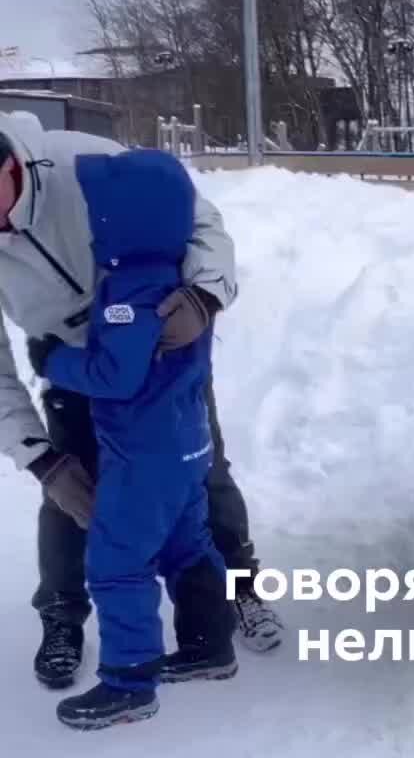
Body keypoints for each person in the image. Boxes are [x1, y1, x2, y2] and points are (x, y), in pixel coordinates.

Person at [0, 108, 282, 686]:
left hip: (160, 345)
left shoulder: (86, 162)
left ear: (8, 162)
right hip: (71, 361)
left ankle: (238, 590)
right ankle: (62, 615)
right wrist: (40, 459)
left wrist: (205, 296)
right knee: (70, 489)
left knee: (201, 473)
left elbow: (201, 220)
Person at [36, 148, 239, 729]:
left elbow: (114, 375)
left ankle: (128, 681)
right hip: (187, 444)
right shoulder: (182, 284)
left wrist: (57, 361)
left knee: (117, 560)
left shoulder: (130, 294)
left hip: (142, 457)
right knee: (188, 545)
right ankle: (209, 645)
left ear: (114, 224)